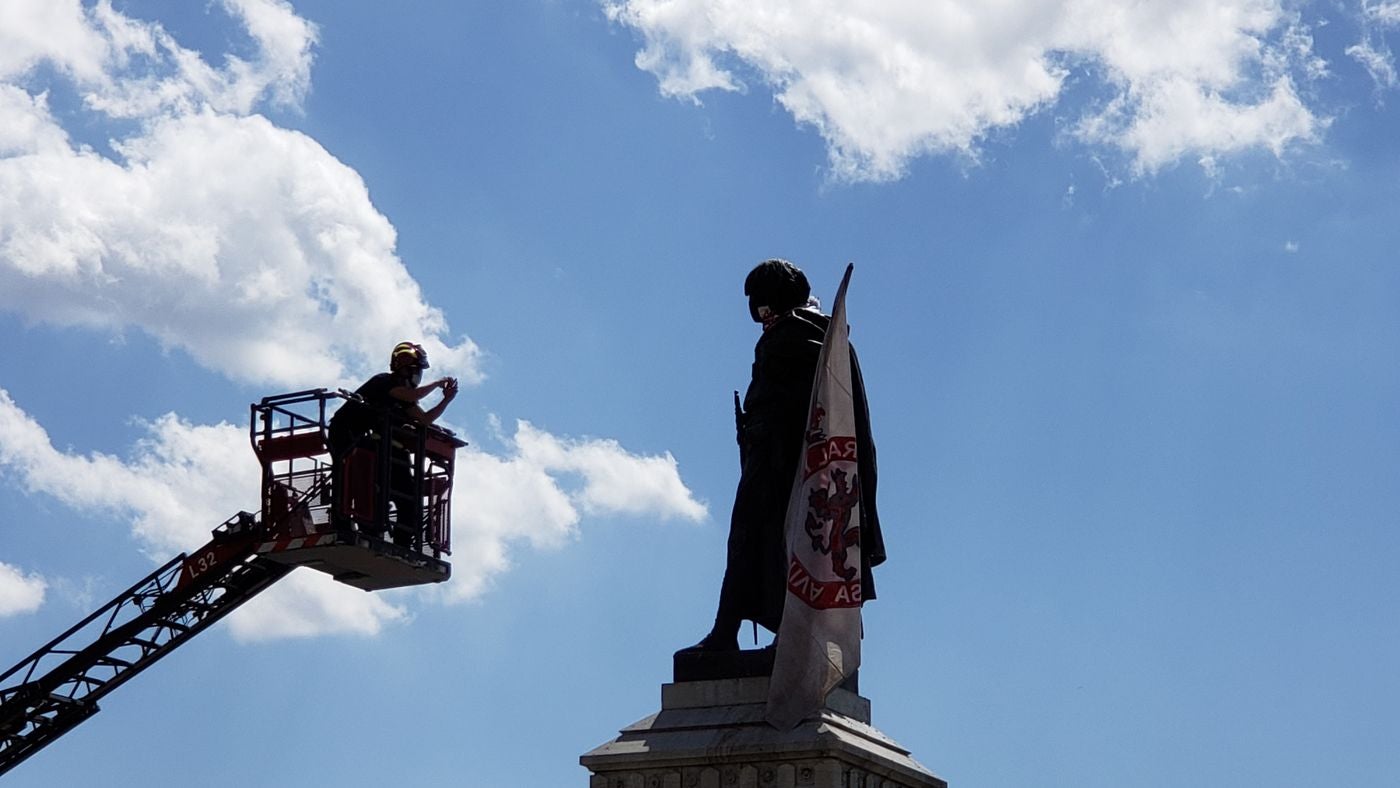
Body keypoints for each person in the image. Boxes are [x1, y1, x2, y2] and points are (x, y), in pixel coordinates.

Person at [682, 259, 885, 653]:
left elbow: (791, 406)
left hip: (783, 467)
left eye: (761, 307)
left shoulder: (795, 335)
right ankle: (756, 635)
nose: (760, 318)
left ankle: (737, 636)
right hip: (783, 464)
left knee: (758, 546)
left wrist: (759, 431)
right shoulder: (823, 339)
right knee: (770, 549)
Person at [328, 342, 458, 544]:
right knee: (348, 477)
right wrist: (437, 383)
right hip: (344, 431)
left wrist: (446, 401)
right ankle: (342, 523)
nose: (418, 376)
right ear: (405, 370)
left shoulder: (404, 397)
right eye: (416, 371)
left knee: (387, 488)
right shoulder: (384, 382)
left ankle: (399, 539)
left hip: (361, 439)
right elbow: (412, 395)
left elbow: (423, 419)